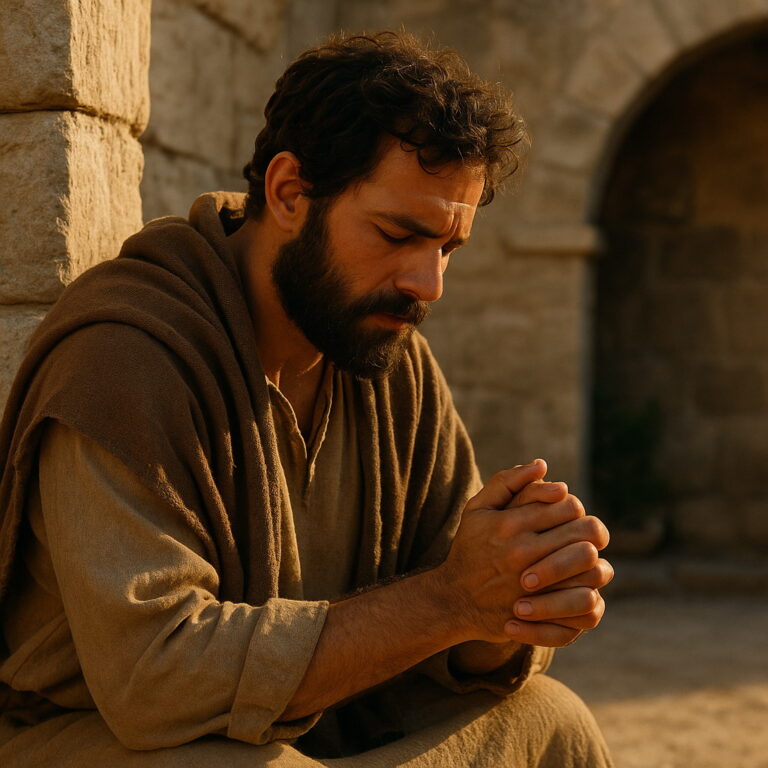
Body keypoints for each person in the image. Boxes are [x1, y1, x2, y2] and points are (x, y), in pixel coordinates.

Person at [0, 31, 614, 767]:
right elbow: (154, 682)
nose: (428, 283)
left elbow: (440, 627)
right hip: (110, 743)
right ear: (291, 192)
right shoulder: (123, 360)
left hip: (316, 731)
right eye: (398, 234)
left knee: (552, 723)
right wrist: (451, 599)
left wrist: (514, 600)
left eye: (448, 248)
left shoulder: (387, 359)